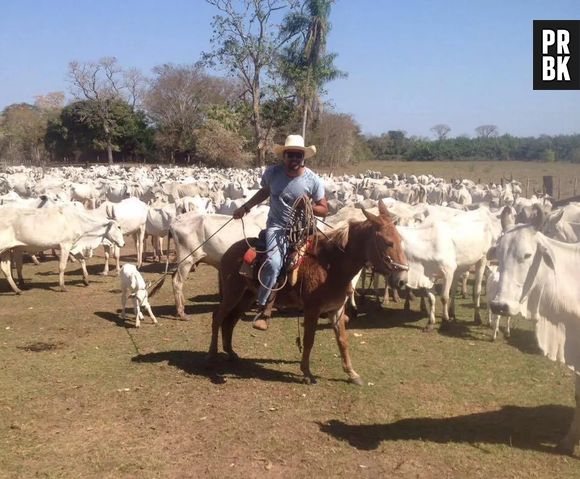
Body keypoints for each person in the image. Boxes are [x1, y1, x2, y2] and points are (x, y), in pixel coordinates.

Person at [233, 134, 328, 331]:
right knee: (274, 263)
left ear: (304, 157)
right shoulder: (273, 173)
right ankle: (262, 308)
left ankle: (329, 301)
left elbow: (324, 209)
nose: (294, 159)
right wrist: (246, 207)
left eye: (298, 155)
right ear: (283, 156)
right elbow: (265, 192)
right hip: (277, 227)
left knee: (329, 259)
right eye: (290, 155)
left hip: (303, 229)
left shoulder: (313, 180)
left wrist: (308, 205)